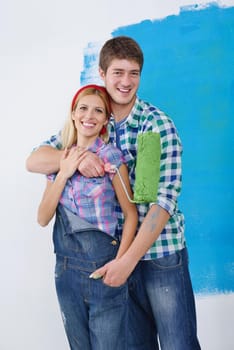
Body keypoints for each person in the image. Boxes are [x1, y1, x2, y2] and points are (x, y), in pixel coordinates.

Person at [26, 36, 201, 350]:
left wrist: (128, 261)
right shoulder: (92, 118)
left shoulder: (156, 125)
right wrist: (81, 159)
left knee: (179, 344)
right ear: (102, 73)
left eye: (134, 73)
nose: (126, 81)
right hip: (110, 257)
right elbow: (36, 159)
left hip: (158, 255)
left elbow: (164, 201)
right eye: (118, 72)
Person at [36, 84, 139, 350]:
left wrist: (120, 263)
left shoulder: (112, 157)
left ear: (106, 119)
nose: (89, 115)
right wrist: (65, 170)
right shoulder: (59, 158)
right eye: (83, 108)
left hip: (104, 270)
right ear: (73, 114)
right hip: (67, 273)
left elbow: (130, 215)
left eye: (98, 111)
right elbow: (43, 217)